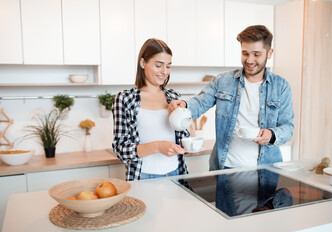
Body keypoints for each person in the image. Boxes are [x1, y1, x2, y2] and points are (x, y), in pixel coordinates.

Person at [168, 25, 294, 170]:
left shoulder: (281, 86)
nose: (250, 60)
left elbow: (288, 127)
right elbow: (199, 103)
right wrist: (184, 106)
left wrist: (271, 134)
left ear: (269, 53)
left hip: (266, 170)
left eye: (256, 54)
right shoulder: (223, 81)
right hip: (225, 169)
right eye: (245, 53)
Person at [112, 38, 189, 181]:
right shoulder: (125, 99)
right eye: (159, 65)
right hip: (143, 176)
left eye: (168, 66)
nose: (164, 72)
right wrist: (158, 147)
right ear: (143, 63)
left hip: (176, 173)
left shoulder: (174, 97)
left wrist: (183, 118)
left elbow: (184, 137)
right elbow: (121, 149)